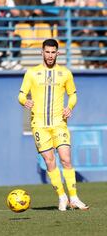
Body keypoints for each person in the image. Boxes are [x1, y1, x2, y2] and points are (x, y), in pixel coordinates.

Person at [18, 39, 89, 211]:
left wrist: (69, 107)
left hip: (59, 123)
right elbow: (21, 94)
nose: (50, 55)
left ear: (58, 53)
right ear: (41, 52)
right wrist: (24, 102)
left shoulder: (65, 73)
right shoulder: (32, 73)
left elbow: (73, 95)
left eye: (53, 52)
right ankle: (62, 197)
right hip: (39, 125)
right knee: (50, 162)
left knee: (65, 159)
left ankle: (74, 198)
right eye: (47, 52)